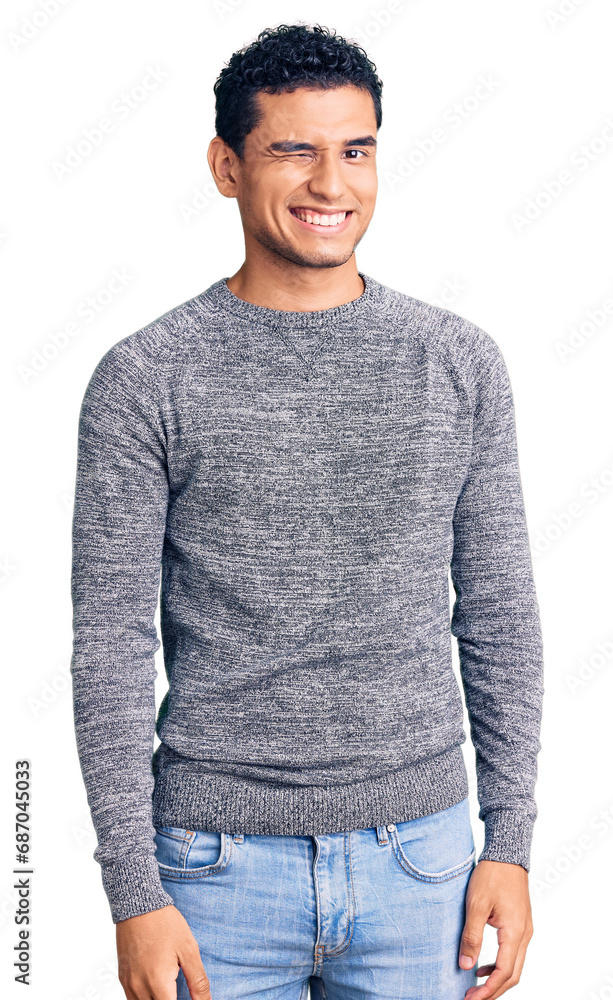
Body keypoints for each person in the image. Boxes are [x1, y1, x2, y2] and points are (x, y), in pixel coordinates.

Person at [69, 22, 544, 1000]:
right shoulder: (145, 378)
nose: (332, 184)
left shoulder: (457, 363)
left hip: (423, 870)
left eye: (355, 150)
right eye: (295, 149)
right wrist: (132, 892)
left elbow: (498, 616)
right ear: (226, 166)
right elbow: (108, 648)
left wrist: (513, 842)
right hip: (211, 876)